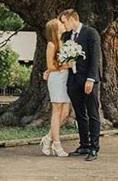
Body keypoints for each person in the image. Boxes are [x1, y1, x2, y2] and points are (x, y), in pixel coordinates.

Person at [59, 8, 101, 162]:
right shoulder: (67, 36)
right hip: (73, 81)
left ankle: (94, 148)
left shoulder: (91, 33)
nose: (63, 26)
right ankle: (84, 144)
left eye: (64, 22)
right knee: (79, 114)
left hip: (88, 80)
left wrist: (91, 79)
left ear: (72, 19)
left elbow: (95, 58)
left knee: (92, 114)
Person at [40, 18, 73, 157]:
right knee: (57, 110)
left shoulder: (64, 42)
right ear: (55, 28)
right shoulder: (51, 45)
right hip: (56, 79)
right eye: (60, 23)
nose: (62, 24)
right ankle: (57, 144)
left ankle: (48, 138)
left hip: (65, 78)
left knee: (65, 112)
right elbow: (50, 66)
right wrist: (67, 65)